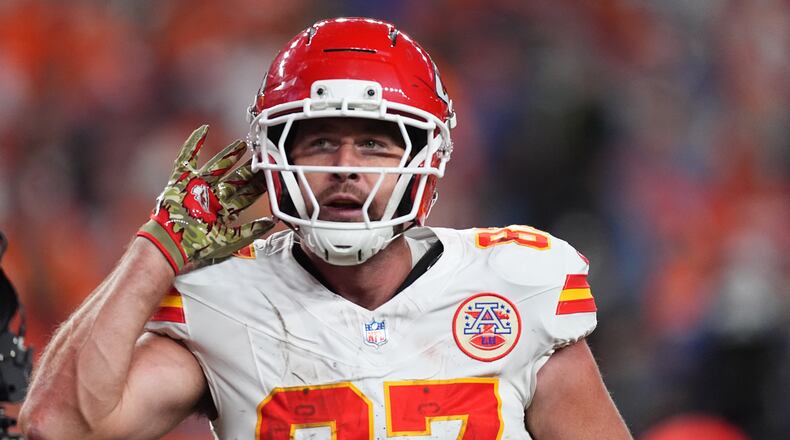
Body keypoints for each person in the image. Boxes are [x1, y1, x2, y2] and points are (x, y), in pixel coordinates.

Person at [19, 18, 632, 439]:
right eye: (319, 142)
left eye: (374, 144)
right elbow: (58, 427)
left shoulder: (514, 287)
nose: (344, 167)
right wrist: (157, 248)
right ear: (272, 157)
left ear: (425, 158)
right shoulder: (227, 302)